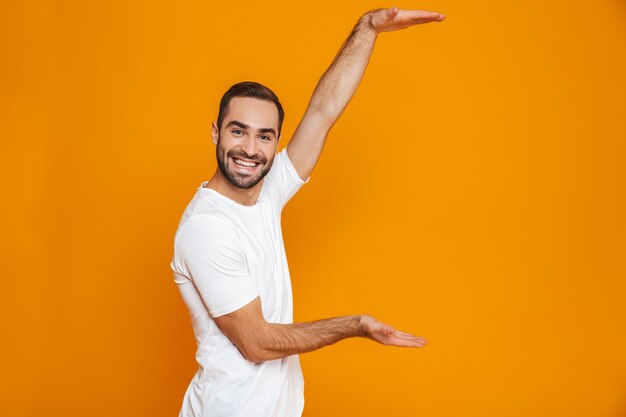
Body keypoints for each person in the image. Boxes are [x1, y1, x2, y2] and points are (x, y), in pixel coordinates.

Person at [170, 6, 445, 417]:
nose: (249, 149)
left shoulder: (265, 192)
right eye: (237, 130)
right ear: (216, 131)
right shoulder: (207, 228)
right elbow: (257, 342)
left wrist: (367, 28)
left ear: (276, 140)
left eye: (264, 136)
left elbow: (322, 112)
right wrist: (352, 326)